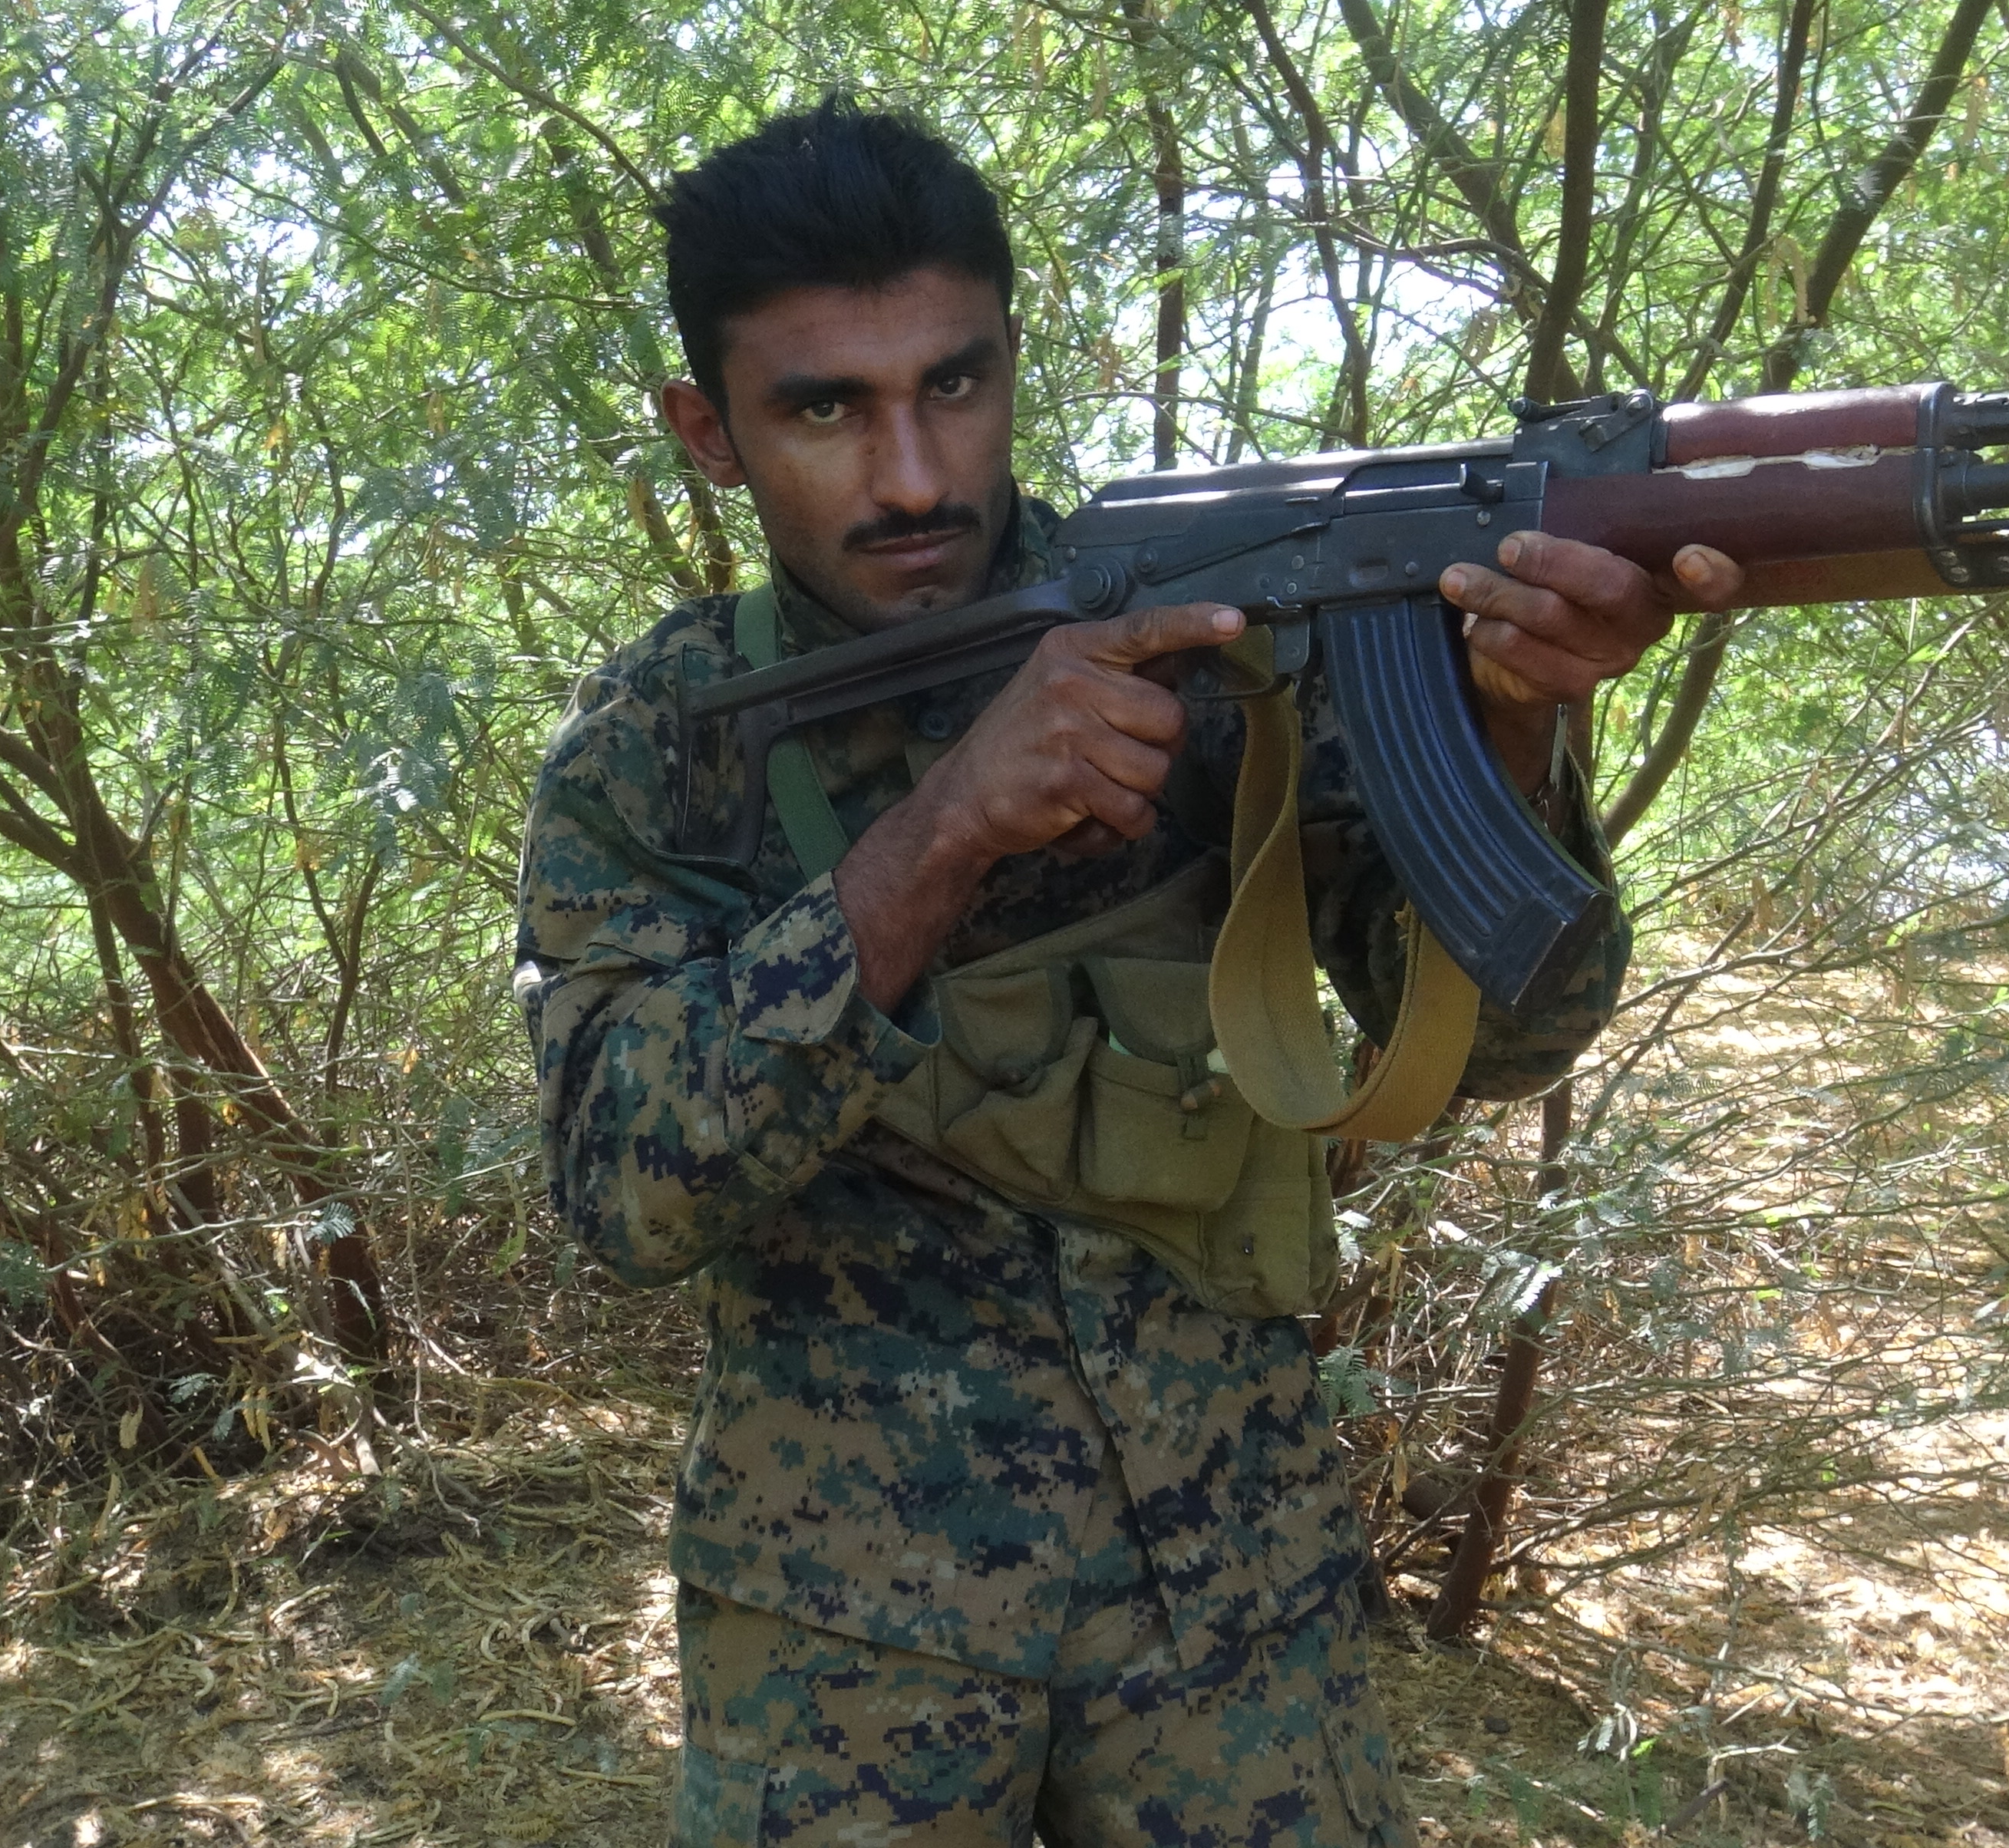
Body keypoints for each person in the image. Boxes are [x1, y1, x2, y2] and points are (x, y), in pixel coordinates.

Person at [515, 99, 1740, 1846]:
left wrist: (1512, 732)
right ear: (707, 432)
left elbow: (1501, 1044)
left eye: (954, 384)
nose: (914, 476)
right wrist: (945, 830)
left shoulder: (1227, 638)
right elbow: (625, 1192)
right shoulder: (660, 747)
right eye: (825, 409)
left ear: (1012, 360)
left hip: (1236, 1590)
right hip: (844, 1630)